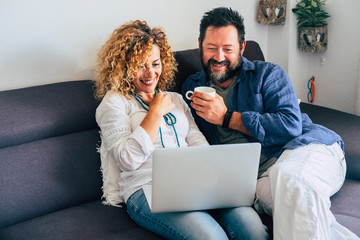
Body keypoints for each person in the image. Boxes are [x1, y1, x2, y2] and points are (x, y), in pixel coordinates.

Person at [181, 7, 360, 240]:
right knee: (303, 214)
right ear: (200, 45)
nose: (219, 57)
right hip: (258, 179)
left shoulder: (268, 74)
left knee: (290, 180)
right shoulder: (190, 87)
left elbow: (291, 125)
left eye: (228, 49)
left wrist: (226, 117)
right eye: (211, 48)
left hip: (307, 149)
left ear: (242, 47)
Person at [94, 20, 269, 240]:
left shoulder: (176, 99)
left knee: (253, 229)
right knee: (211, 237)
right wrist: (154, 113)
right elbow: (127, 159)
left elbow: (196, 140)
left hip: (193, 181)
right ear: (123, 67)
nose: (150, 73)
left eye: (155, 64)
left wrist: (223, 180)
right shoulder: (114, 103)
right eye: (140, 65)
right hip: (146, 189)